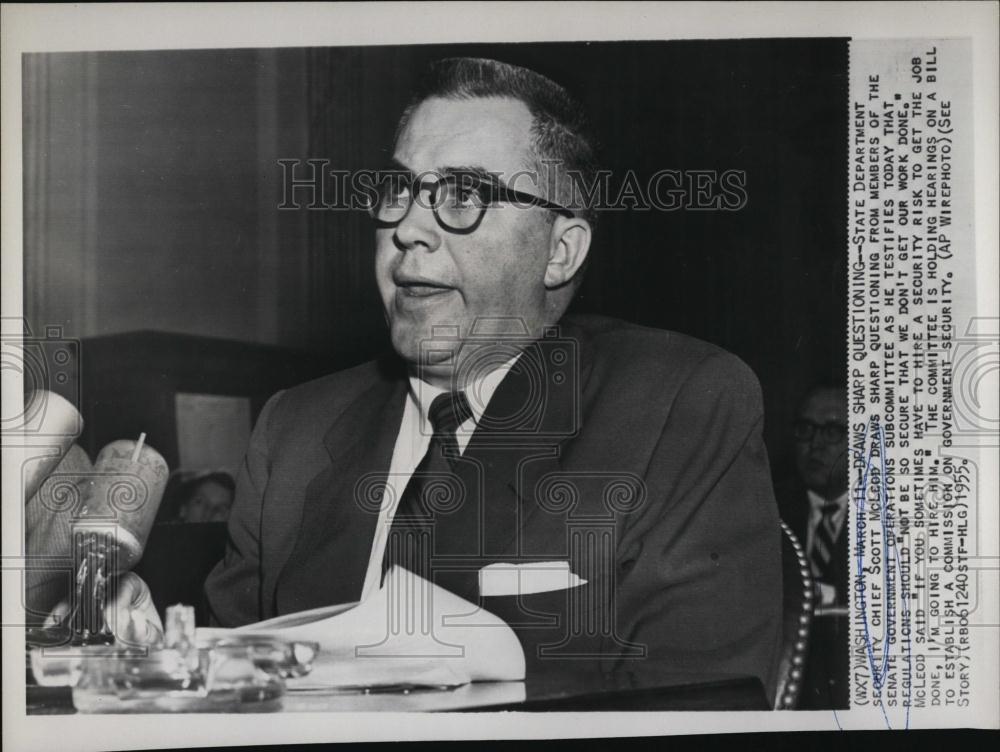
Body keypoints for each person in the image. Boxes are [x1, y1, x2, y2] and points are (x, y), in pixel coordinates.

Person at [100, 57, 783, 699]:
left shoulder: (677, 404)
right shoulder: (293, 430)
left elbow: (695, 708)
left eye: (463, 195)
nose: (409, 230)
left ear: (560, 250)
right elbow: (232, 683)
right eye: (400, 189)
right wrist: (154, 652)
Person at [775, 383, 850, 708]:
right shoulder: (770, 507)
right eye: (805, 429)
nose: (815, 444)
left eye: (833, 431)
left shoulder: (890, 514)